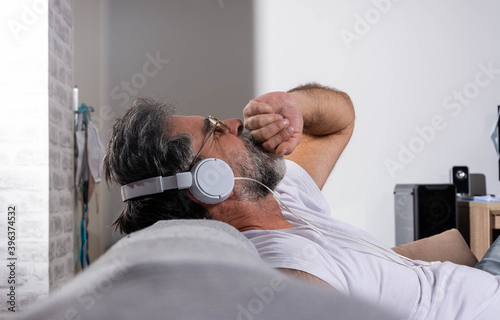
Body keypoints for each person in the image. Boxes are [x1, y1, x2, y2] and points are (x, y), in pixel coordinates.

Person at [103, 83, 500, 319]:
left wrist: (292, 105)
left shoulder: (278, 196)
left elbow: (338, 121)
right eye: (216, 129)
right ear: (209, 181)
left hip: (482, 280)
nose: (236, 123)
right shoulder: (283, 270)